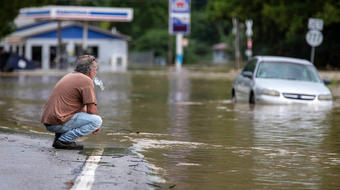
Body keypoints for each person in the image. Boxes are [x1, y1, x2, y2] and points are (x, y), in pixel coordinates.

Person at [41, 55, 102, 150]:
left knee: (79, 113)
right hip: (57, 122)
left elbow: (83, 108)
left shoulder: (70, 75)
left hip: (50, 121)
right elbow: (91, 109)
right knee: (97, 121)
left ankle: (59, 138)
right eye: (96, 70)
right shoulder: (86, 80)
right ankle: (64, 140)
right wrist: (97, 126)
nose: (96, 72)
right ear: (90, 70)